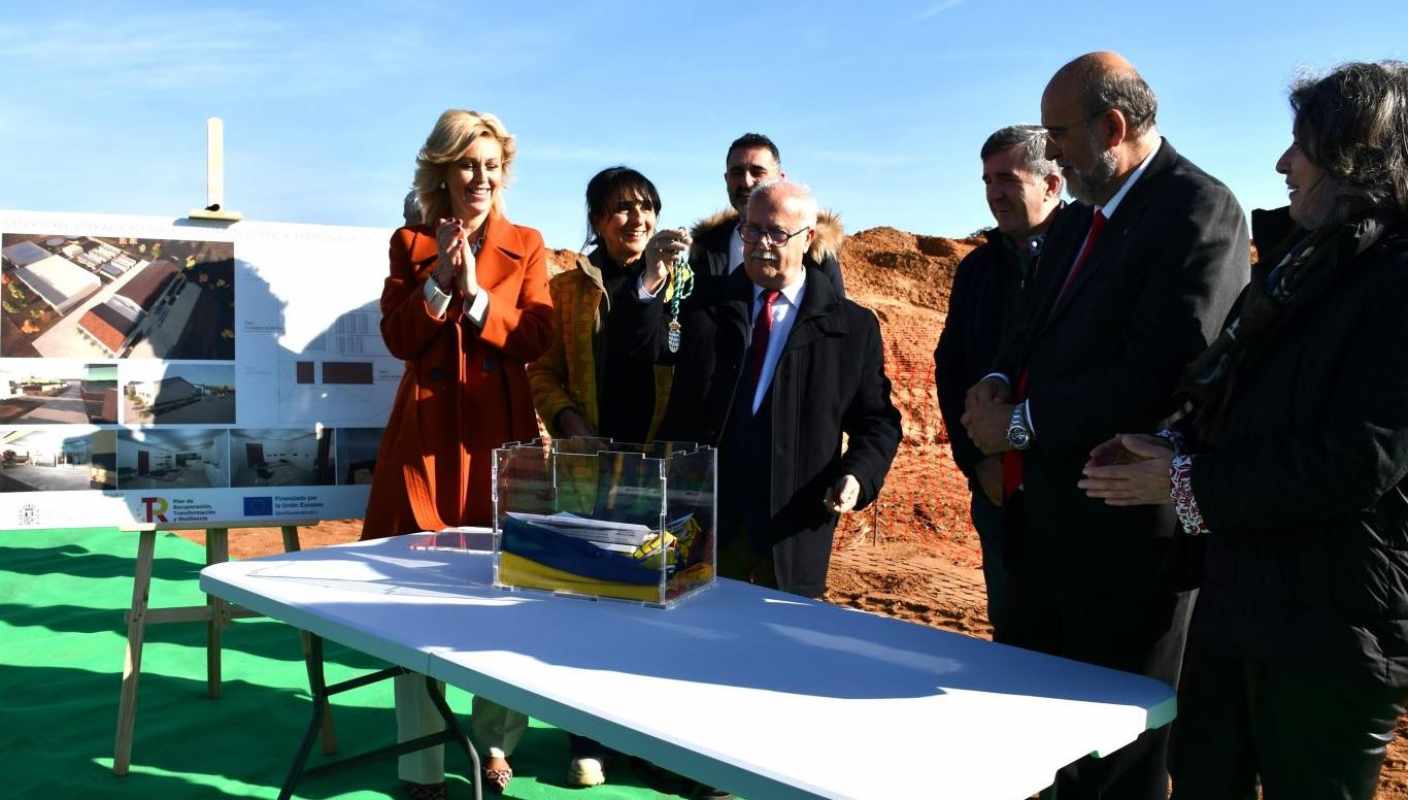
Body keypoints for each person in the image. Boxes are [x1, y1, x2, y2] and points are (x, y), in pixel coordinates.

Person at [1080, 61, 1408, 800]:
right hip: (1238, 598)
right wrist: (1174, 447)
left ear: (1359, 159)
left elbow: (1360, 458)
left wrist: (1185, 483)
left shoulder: (1393, 281)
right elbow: (1256, 413)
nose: (1283, 164)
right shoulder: (1301, 266)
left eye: (1304, 147)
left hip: (1335, 631)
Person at [959, 52, 1248, 799]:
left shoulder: (1199, 211)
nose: (1050, 152)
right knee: (1034, 740)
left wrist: (1020, 424)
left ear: (1112, 127)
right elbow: (1028, 325)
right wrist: (995, 382)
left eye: (1059, 134)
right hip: (1043, 532)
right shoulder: (1082, 217)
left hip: (1127, 547)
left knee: (1116, 751)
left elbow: (1171, 369)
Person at [361, 108, 552, 800]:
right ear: (441, 171)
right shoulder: (409, 243)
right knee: (414, 601)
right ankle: (420, 764)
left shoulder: (527, 244)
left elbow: (537, 338)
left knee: (507, 596)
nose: (481, 178)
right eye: (468, 164)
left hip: (497, 445)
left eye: (492, 165)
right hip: (428, 445)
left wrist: (475, 296)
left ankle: (496, 744)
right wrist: (440, 278)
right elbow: (399, 338)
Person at [633, 180, 901, 599]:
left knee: (781, 653)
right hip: (702, 524)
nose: (760, 244)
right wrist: (650, 279)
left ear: (808, 238)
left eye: (776, 233)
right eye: (751, 230)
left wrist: (857, 475)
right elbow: (644, 351)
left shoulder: (851, 328)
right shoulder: (703, 307)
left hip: (792, 530)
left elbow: (878, 422)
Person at [524, 165, 673, 787]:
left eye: (644, 207)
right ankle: (587, 738)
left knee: (655, 608)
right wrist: (567, 419)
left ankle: (652, 736)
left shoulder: (682, 286)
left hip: (661, 472)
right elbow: (542, 371)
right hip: (588, 471)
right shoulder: (568, 291)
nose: (634, 219)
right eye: (618, 209)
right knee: (587, 607)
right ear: (595, 222)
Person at [933, 124, 1064, 639]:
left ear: (1052, 183)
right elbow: (951, 369)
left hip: (1071, 485)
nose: (994, 194)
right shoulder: (978, 271)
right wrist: (977, 461)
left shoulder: (1088, 258)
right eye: (988, 180)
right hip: (998, 491)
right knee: (1012, 631)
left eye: (1007, 179)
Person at [689, 133, 847, 298]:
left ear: (781, 179)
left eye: (757, 172)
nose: (747, 182)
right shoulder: (707, 246)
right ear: (726, 179)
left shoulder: (815, 248)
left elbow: (835, 316)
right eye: (737, 173)